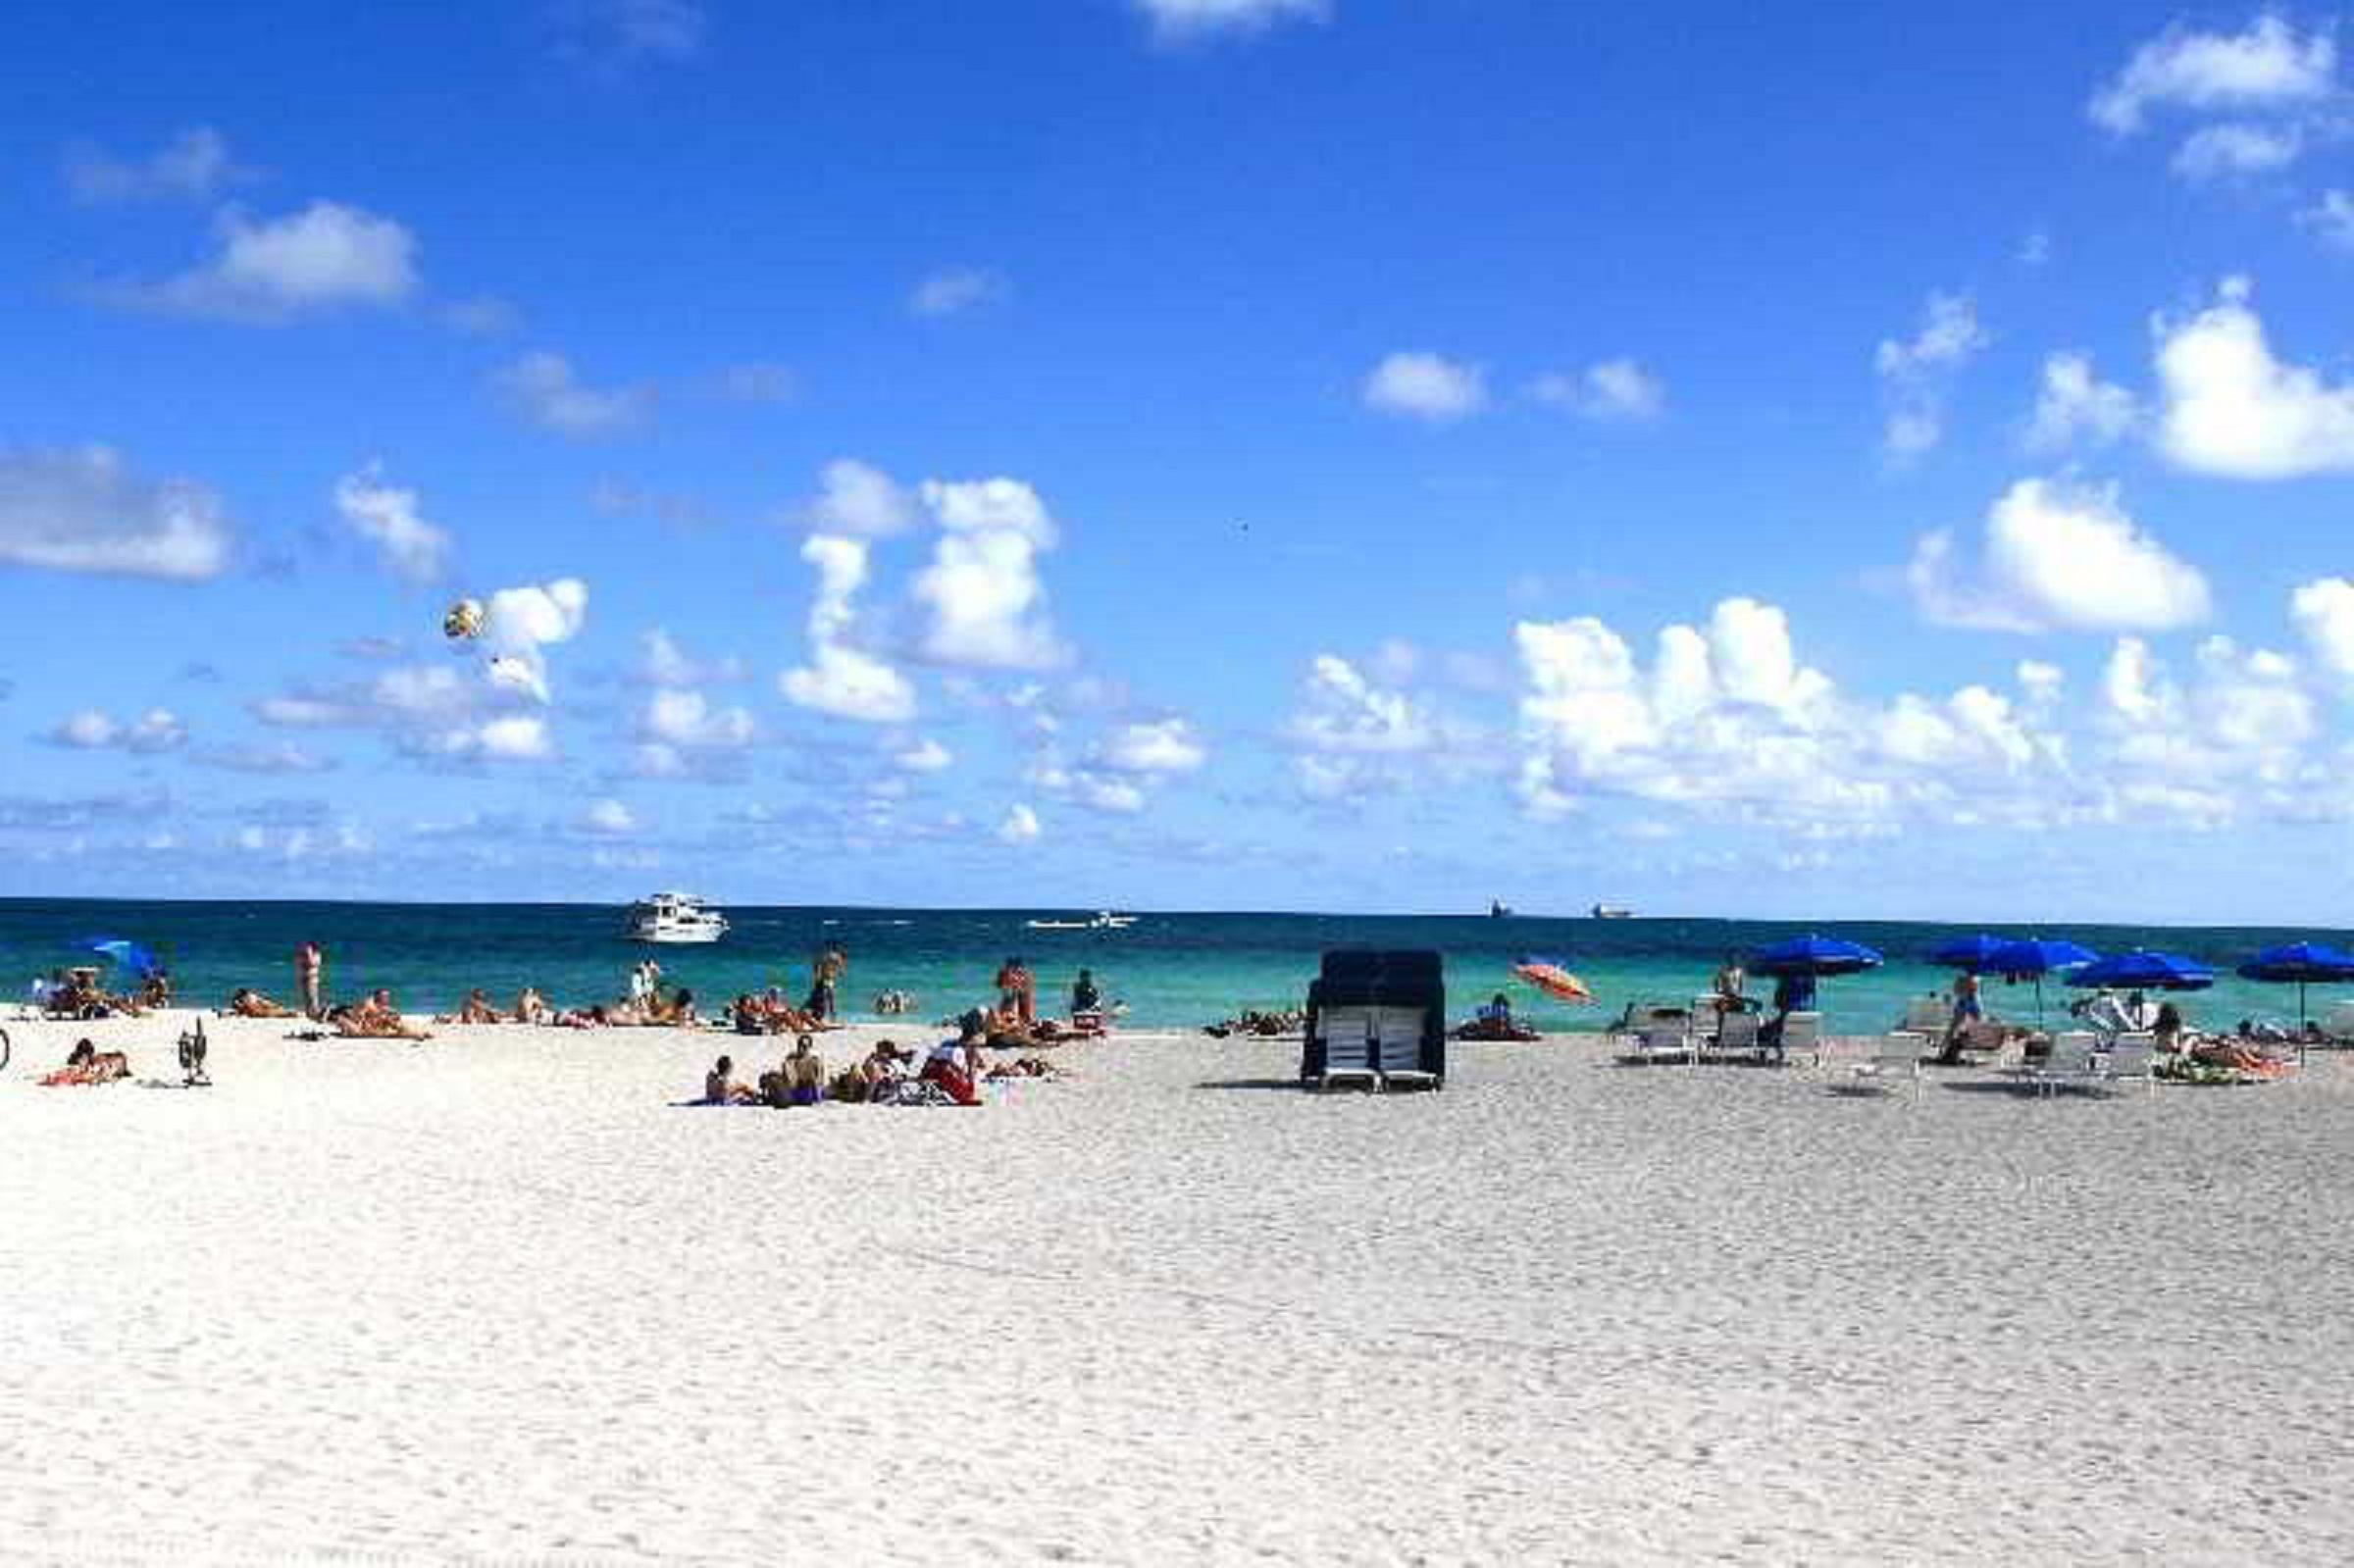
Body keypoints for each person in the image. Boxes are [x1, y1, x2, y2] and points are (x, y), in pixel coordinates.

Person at [921, 1012, 989, 1106]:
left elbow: (929, 1062)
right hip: (951, 1084)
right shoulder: (967, 1050)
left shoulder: (948, 1044)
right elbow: (971, 1072)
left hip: (930, 1078)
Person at [1934, 972, 1984, 1065]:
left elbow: (1957, 990)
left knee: (1957, 1028)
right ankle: (1948, 1050)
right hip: (1969, 1002)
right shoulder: (1973, 978)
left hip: (1967, 1004)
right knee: (1958, 1028)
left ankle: (1947, 1050)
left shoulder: (1971, 1000)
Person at [806, 943, 844, 1022]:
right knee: (829, 997)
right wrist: (840, 971)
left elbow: (816, 964)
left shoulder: (828, 957)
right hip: (827, 979)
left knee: (824, 997)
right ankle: (829, 1015)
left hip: (825, 979)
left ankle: (822, 1014)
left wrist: (816, 975)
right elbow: (841, 970)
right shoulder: (834, 957)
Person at [226, 986, 297, 1019]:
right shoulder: (247, 1001)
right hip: (257, 1011)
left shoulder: (244, 1001)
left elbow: (237, 1011)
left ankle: (289, 1013)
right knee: (274, 1012)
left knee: (273, 1011)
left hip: (256, 1011)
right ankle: (289, 1013)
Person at [296, 940, 324, 1020]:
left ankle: (315, 1012)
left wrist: (309, 954)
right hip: (305, 977)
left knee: (313, 996)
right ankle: (308, 1013)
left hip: (312, 979)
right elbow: (299, 962)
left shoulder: (317, 956)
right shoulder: (304, 956)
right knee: (306, 996)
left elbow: (311, 963)